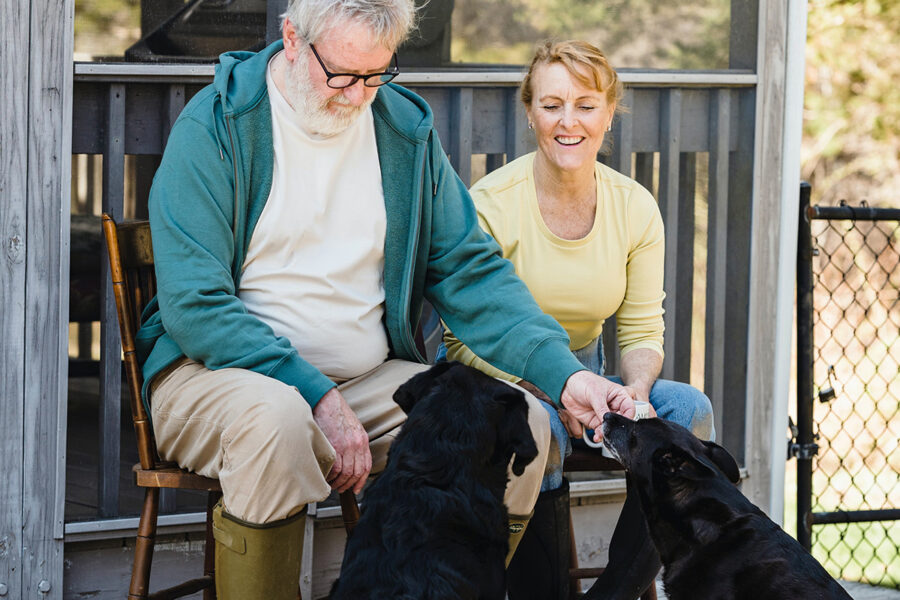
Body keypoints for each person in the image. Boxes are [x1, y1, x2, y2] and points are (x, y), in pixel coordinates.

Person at [138, 3, 640, 598]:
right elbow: (196, 305)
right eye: (344, 75)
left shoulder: (402, 128)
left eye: (377, 75)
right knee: (275, 421)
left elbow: (469, 270)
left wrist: (565, 379)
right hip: (215, 375)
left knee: (520, 421)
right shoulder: (218, 123)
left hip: (364, 380)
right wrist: (314, 394)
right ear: (293, 39)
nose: (358, 97)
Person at [442, 40, 715, 600]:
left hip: (594, 381)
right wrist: (556, 391)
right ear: (530, 112)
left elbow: (641, 330)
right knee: (537, 429)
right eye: (552, 105)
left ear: (609, 113)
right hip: (504, 382)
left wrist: (634, 394)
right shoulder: (491, 202)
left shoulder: (634, 206)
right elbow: (461, 340)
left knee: (688, 410)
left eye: (586, 105)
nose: (569, 122)